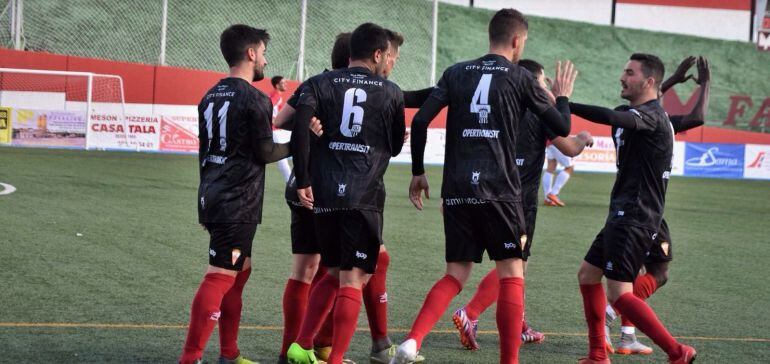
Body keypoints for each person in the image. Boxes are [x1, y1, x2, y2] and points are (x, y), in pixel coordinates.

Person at [392, 8, 575, 364]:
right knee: (512, 271)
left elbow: (422, 119)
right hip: (500, 189)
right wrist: (562, 96)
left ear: (490, 36)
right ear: (518, 40)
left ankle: (412, 342)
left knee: (455, 274)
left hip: (458, 187)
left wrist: (417, 171)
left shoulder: (456, 72)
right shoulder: (521, 78)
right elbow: (563, 128)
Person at [451, 59, 592, 351]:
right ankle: (472, 312)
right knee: (515, 266)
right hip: (520, 199)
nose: (541, 87)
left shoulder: (502, 106)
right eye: (539, 82)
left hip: (485, 190)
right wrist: (584, 137)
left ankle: (520, 324)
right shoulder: (540, 114)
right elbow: (570, 147)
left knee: (513, 265)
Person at [287, 22, 406, 364]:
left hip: (323, 193)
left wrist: (304, 178)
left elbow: (298, 123)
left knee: (333, 270)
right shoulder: (390, 91)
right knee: (355, 278)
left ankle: (301, 345)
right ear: (378, 54)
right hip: (363, 195)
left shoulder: (319, 82)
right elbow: (396, 146)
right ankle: (336, 358)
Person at [570, 53, 696, 364]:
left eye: (629, 72)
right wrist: (676, 79)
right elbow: (630, 111)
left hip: (636, 216)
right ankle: (598, 353)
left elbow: (616, 118)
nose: (622, 77)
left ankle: (677, 352)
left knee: (619, 294)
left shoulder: (651, 117)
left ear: (648, 81)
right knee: (588, 275)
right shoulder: (643, 112)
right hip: (623, 214)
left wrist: (563, 104)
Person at [179, 24, 291, 364]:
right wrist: (304, 141)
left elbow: (205, 153)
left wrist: (205, 200)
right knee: (221, 275)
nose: (266, 60)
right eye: (263, 53)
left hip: (215, 194)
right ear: (251, 53)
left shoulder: (209, 96)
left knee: (241, 271)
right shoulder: (254, 99)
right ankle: (190, 357)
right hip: (236, 200)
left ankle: (230, 353)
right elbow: (266, 152)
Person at [604, 55, 711, 356]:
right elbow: (695, 117)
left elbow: (650, 100)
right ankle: (610, 316)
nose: (624, 78)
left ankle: (626, 334)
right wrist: (705, 85)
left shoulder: (627, 117)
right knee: (657, 271)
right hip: (644, 209)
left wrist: (674, 79)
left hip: (630, 207)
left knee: (636, 269)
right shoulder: (651, 123)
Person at [275, 32, 350, 364]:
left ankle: (294, 349)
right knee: (344, 269)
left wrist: (304, 127)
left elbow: (280, 121)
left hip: (300, 186)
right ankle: (318, 346)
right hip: (326, 190)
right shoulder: (350, 90)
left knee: (306, 270)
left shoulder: (314, 83)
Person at [270, 75, 293, 182]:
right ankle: (290, 182)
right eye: (283, 83)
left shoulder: (277, 95)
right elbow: (268, 109)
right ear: (277, 85)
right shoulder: (276, 96)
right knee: (281, 160)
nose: (286, 84)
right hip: (276, 132)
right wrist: (273, 120)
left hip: (281, 131)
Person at [542, 140, 574, 206]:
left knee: (551, 166)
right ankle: (553, 193)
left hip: (549, 141)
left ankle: (548, 199)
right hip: (558, 142)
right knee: (569, 167)